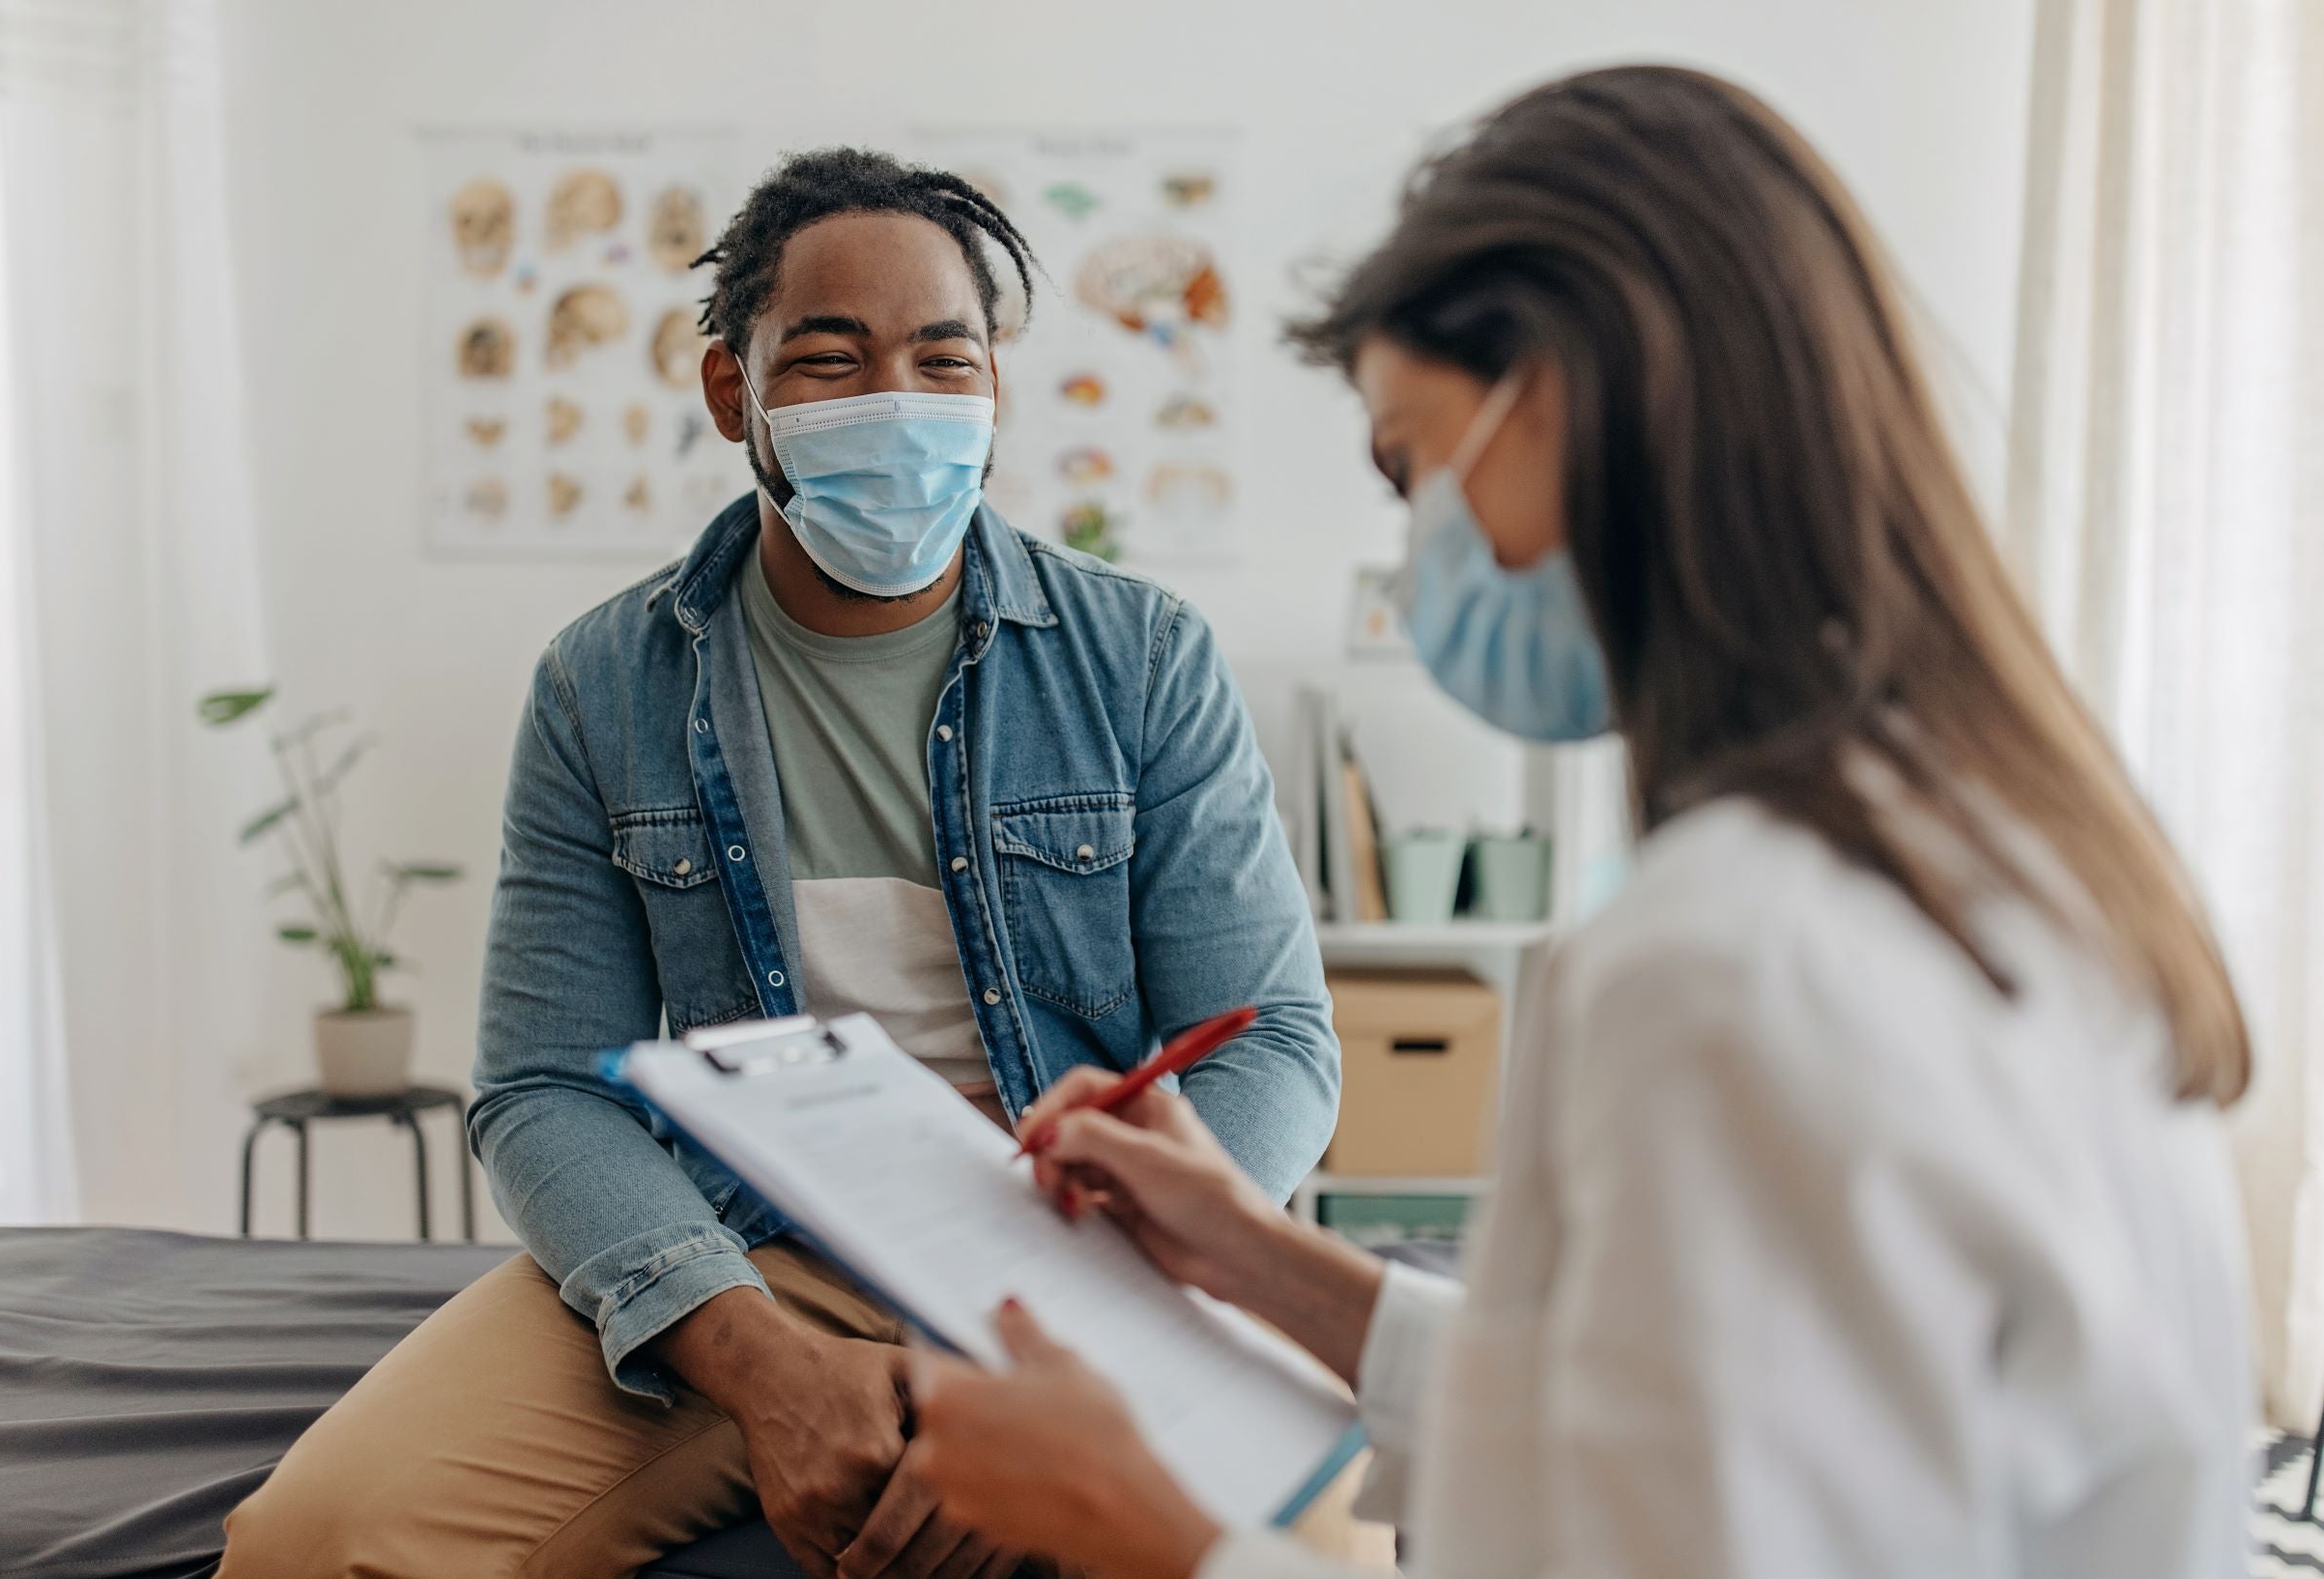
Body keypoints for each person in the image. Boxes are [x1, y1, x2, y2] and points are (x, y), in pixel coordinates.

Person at [904, 65, 2256, 1579]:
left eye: (1410, 464)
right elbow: (1683, 1424)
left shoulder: (1729, 954)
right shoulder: (1997, 840)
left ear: (1561, 405)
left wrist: (1142, 1526)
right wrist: (1259, 1254)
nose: (1412, 550)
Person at [218, 148, 1341, 1579]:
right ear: (728, 392)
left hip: (1083, 1254)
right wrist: (756, 1360)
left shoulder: (1141, 659)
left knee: (1324, 1550)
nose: (897, 404)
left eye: (944, 360)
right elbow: (545, 1083)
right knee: (312, 1543)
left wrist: (1070, 1317)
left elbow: (1274, 1043)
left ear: (994, 388)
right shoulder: (602, 685)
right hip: (745, 1250)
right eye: (830, 360)